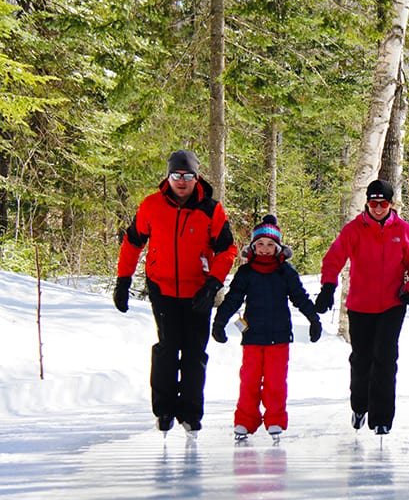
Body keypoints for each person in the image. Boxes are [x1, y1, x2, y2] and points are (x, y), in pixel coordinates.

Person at [113, 149, 238, 438]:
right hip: (163, 287)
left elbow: (227, 249)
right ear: (168, 177)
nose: (181, 181)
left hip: (199, 290)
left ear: (197, 177)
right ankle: (165, 410)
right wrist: (123, 280)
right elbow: (133, 243)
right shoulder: (151, 206)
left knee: (194, 353)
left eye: (187, 176)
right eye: (176, 175)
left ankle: (191, 414)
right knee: (168, 349)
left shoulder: (211, 209)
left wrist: (213, 284)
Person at [314, 179, 409, 435]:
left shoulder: (404, 230)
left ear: (391, 204)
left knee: (386, 360)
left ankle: (382, 418)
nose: (378, 208)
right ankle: (359, 406)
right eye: (373, 203)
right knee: (362, 359)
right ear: (367, 202)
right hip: (360, 305)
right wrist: (328, 287)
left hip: (392, 304)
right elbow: (333, 259)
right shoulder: (354, 229)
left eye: (383, 203)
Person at [211, 215, 322, 442]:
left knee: (275, 383)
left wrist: (314, 319)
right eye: (260, 244)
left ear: (278, 248)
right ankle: (245, 420)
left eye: (270, 245)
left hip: (279, 337)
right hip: (252, 337)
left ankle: (275, 420)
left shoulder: (286, 272)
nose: (264, 249)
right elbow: (233, 299)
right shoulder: (246, 273)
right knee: (249, 381)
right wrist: (219, 322)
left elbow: (300, 297)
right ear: (252, 247)